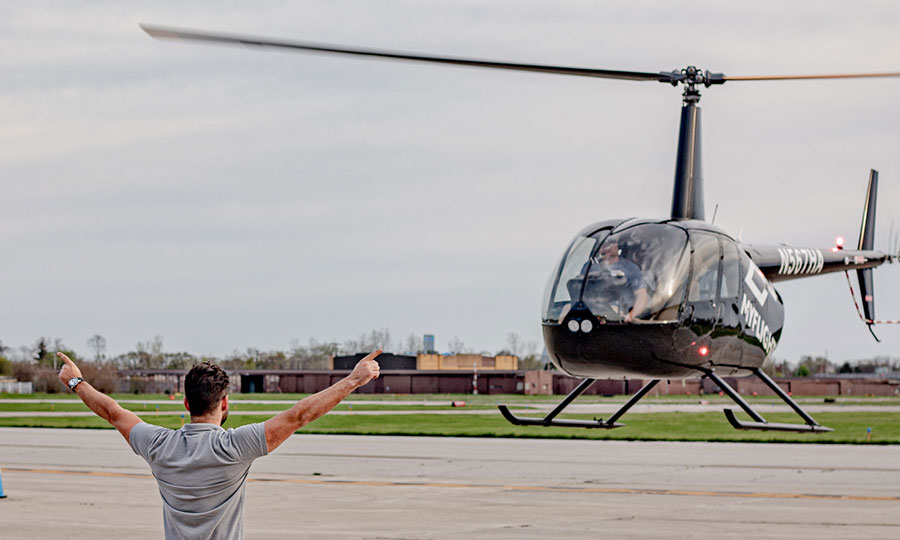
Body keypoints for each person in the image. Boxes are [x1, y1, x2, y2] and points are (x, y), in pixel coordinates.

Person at [56, 349, 381, 539]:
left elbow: (113, 412)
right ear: (224, 404)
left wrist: (75, 380)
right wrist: (354, 380)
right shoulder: (235, 448)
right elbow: (299, 415)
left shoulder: (158, 445)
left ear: (185, 403)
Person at [583, 240, 649, 322]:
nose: (606, 247)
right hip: (591, 311)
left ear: (617, 245)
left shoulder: (630, 268)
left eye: (611, 242)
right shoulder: (589, 267)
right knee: (566, 309)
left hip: (617, 313)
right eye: (603, 244)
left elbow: (642, 296)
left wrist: (630, 315)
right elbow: (578, 290)